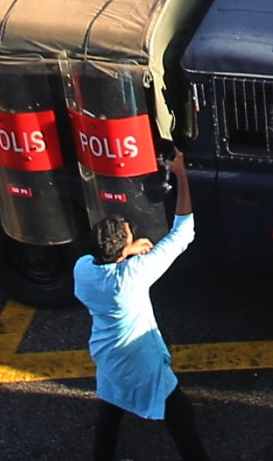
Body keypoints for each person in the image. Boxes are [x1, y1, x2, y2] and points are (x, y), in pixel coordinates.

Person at [74, 148, 208, 461]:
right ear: (122, 254)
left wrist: (129, 248)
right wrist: (182, 177)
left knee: (110, 413)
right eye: (128, 236)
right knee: (181, 420)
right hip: (140, 362)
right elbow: (182, 233)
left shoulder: (83, 269)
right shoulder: (131, 278)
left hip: (108, 356)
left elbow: (108, 260)